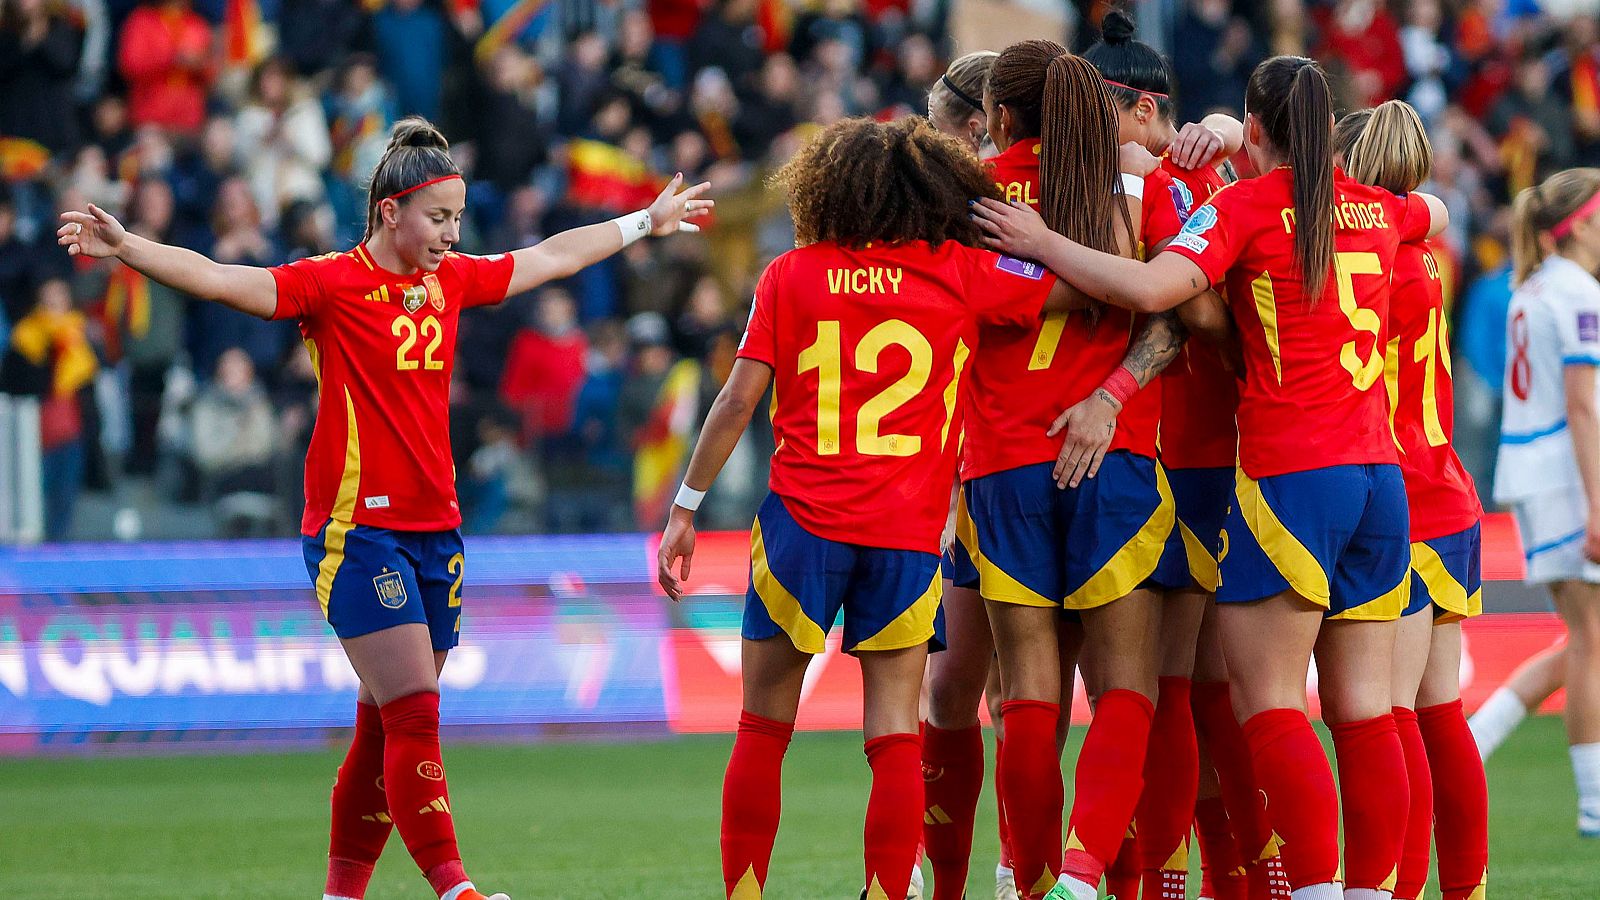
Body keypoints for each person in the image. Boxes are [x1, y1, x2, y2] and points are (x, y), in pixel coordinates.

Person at [59, 116, 711, 900]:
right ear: (390, 211)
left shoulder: (451, 282)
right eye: (438, 218)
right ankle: (456, 888)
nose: (450, 234)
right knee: (413, 710)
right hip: (358, 533)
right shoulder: (329, 284)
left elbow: (548, 257)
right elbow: (223, 279)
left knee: (381, 725)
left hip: (438, 532)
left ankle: (342, 895)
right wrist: (129, 248)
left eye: (459, 220)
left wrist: (645, 221)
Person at [972, 56, 1447, 900]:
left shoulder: (1247, 207)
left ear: (1255, 128)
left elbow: (1158, 285)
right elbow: (1435, 209)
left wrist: (1045, 243)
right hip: (1382, 479)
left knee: (1263, 703)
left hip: (1291, 472)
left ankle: (1292, 884)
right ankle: (1372, 892)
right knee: (1368, 712)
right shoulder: (1380, 210)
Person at [654, 114, 1078, 900]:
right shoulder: (957, 271)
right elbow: (1074, 290)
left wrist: (686, 506)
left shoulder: (792, 274)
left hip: (800, 530)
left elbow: (737, 399)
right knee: (891, 733)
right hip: (908, 538)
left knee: (761, 728)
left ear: (828, 192)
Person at [965, 40, 1180, 900]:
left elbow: (973, 297)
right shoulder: (1136, 188)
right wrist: (1115, 379)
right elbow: (1179, 314)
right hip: (1115, 451)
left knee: (1027, 696)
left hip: (1004, 461)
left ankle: (1033, 883)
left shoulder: (970, 194)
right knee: (1128, 689)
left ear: (1006, 115)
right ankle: (1087, 878)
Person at [1079, 13, 1267, 898]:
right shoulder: (1200, 173)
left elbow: (1186, 305)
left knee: (1183, 686)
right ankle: (1237, 870)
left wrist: (1226, 131)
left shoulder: (1178, 179)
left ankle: (1185, 874)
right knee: (1191, 687)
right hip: (1179, 450)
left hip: (1190, 453)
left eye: (1095, 110)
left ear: (1146, 110)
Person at [1337, 99, 1491, 900]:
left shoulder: (1373, 255)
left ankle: (1395, 889)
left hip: (1394, 492)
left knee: (1387, 716)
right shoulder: (1429, 252)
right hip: (1446, 486)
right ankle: (1464, 888)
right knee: (1438, 713)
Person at [1489, 165, 1600, 839]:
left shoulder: (1532, 288)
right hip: (1567, 474)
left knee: (1585, 639)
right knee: (1591, 641)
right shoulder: (1579, 293)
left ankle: (1475, 738)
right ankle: (1593, 801)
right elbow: (1584, 405)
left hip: (1535, 468)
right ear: (1581, 224)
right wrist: (1598, 503)